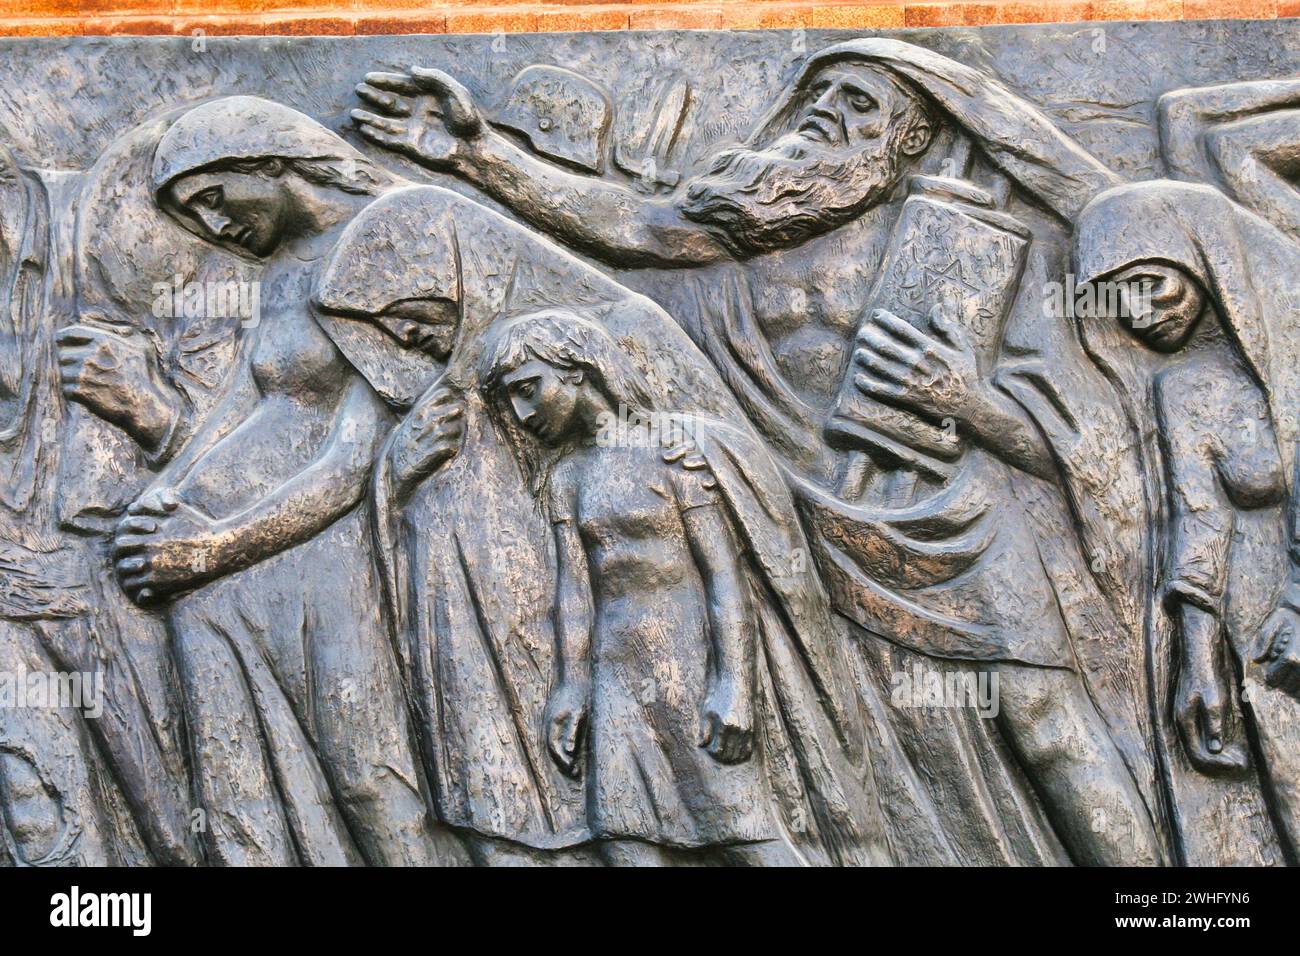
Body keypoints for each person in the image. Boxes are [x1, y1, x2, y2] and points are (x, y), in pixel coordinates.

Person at [111, 96, 450, 866]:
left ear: (267, 162)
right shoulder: (284, 270)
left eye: (214, 199)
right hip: (213, 576)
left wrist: (209, 548)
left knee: (369, 776)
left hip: (322, 562)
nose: (215, 228)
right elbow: (248, 400)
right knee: (240, 789)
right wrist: (169, 493)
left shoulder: (389, 242)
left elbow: (354, 458)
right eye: (195, 218)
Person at [477, 310, 874, 865]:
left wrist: (735, 685)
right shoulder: (568, 477)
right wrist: (570, 687)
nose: (523, 414)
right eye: (511, 401)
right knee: (624, 841)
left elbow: (724, 576)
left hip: (689, 669)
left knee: (746, 838)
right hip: (616, 683)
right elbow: (574, 593)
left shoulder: (673, 450)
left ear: (574, 370)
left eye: (528, 388)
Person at [1006, 178, 1300, 864]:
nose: (1140, 314)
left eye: (1151, 283)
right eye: (1119, 298)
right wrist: (1198, 662)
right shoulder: (1191, 389)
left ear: (1204, 258)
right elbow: (1199, 530)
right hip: (1265, 649)